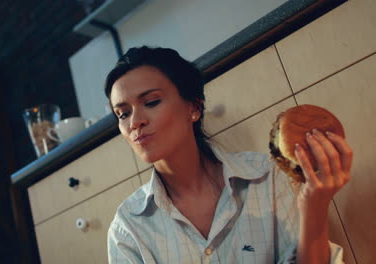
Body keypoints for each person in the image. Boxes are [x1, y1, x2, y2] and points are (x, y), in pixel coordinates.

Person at [105, 46, 352, 263]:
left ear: (194, 107)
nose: (135, 122)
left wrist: (314, 205)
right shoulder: (128, 228)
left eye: (151, 102)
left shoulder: (271, 177)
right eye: (123, 114)